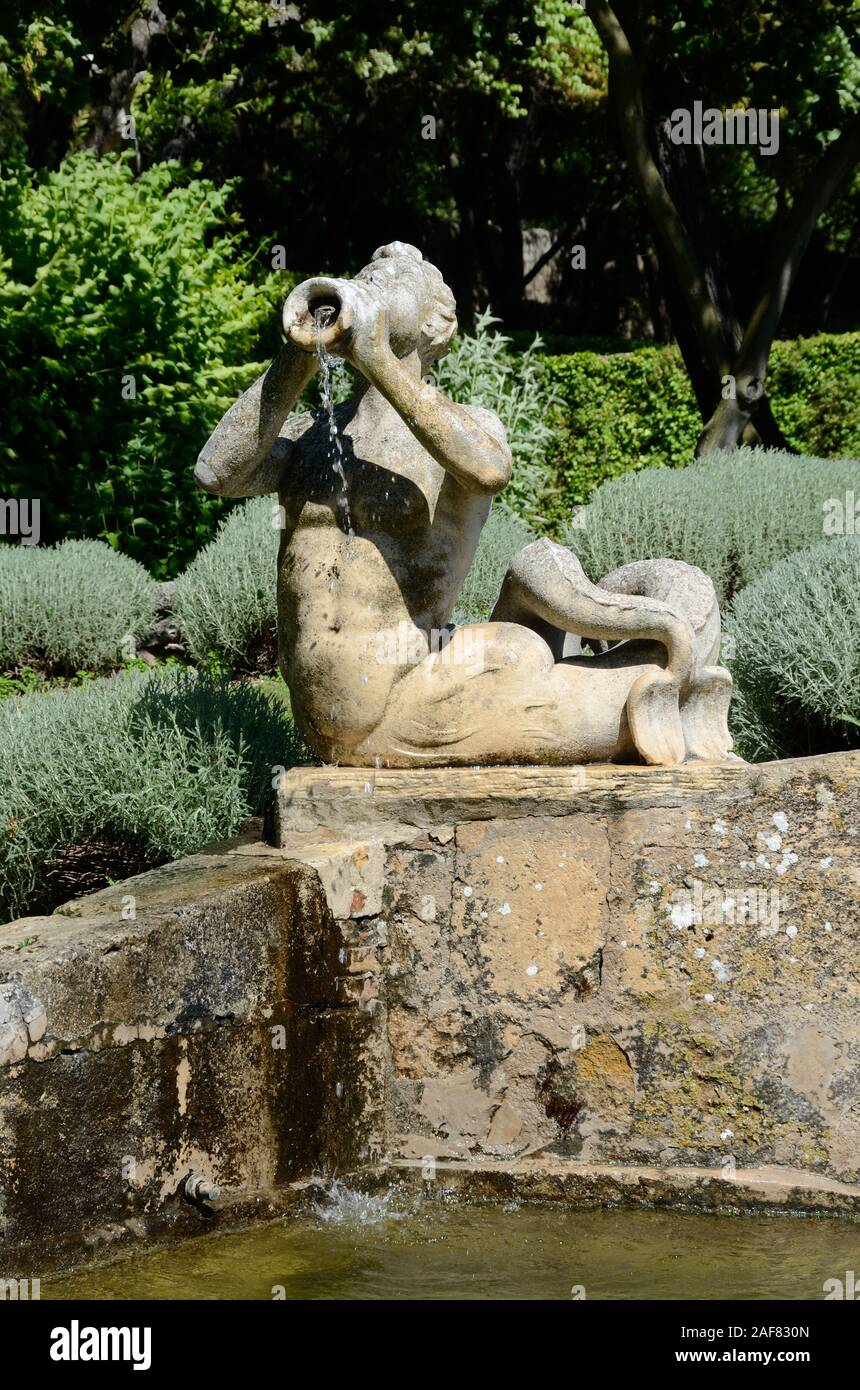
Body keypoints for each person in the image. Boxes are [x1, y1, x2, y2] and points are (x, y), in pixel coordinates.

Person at [195, 242, 732, 767]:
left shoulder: (466, 426)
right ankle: (585, 635)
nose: (373, 286)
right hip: (331, 710)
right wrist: (297, 353)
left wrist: (380, 360)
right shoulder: (315, 436)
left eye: (396, 281)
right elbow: (215, 472)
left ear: (434, 326)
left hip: (409, 690)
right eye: (367, 277)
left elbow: (489, 469)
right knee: (530, 652)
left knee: (577, 674)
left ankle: (617, 631)